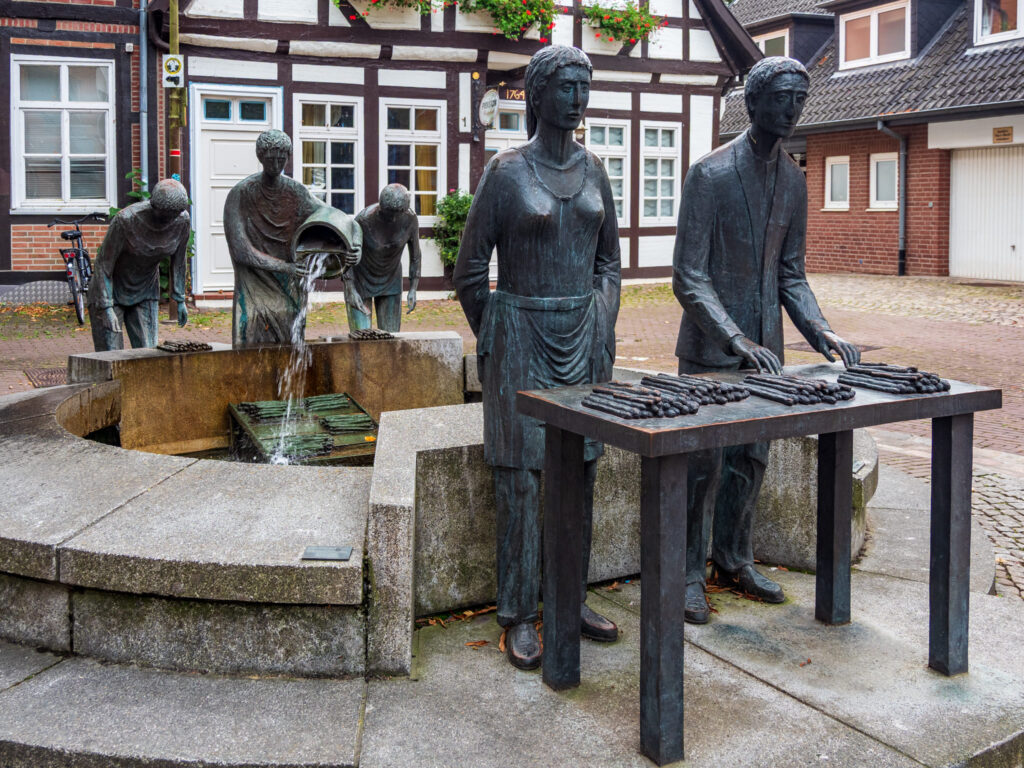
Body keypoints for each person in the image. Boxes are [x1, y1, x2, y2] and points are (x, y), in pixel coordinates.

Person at [672, 56, 861, 624]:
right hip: (711, 350)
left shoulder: (795, 180)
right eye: (781, 98)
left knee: (750, 460)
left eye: (799, 99)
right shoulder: (709, 174)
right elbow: (689, 276)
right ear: (752, 102)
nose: (792, 109)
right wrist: (734, 338)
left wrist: (821, 330)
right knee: (701, 465)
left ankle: (734, 558)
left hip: (767, 355)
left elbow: (791, 274)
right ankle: (687, 573)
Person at [454, 45, 621, 670]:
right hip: (520, 336)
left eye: (585, 87)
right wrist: (498, 333)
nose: (578, 99)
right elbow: (470, 271)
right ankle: (520, 612)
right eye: (567, 87)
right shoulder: (506, 172)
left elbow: (609, 262)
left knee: (581, 471)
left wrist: (602, 320)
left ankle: (568, 598)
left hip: (582, 337)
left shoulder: (595, 170)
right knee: (521, 482)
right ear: (539, 93)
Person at [224, 129, 359, 347]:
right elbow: (241, 252)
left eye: (282, 158)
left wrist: (355, 245)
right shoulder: (240, 194)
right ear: (260, 157)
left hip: (290, 281)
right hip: (255, 280)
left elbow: (343, 219)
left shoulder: (296, 191)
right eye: (271, 158)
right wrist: (287, 268)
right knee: (249, 336)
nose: (276, 164)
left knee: (290, 340)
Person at [87, 178, 190, 351]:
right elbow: (104, 264)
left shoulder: (182, 221)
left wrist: (180, 299)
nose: (171, 220)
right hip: (110, 291)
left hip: (146, 290)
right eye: (166, 215)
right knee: (111, 355)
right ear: (154, 207)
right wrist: (106, 307)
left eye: (175, 214)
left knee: (147, 353)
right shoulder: (126, 220)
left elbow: (179, 261)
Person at [348, 184, 420, 332]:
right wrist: (350, 289)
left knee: (391, 336)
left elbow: (416, 256)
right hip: (361, 280)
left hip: (391, 279)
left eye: (398, 213)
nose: (393, 218)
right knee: (361, 336)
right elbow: (347, 256)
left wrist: (413, 288)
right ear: (381, 207)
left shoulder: (410, 219)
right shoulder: (363, 221)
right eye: (389, 214)